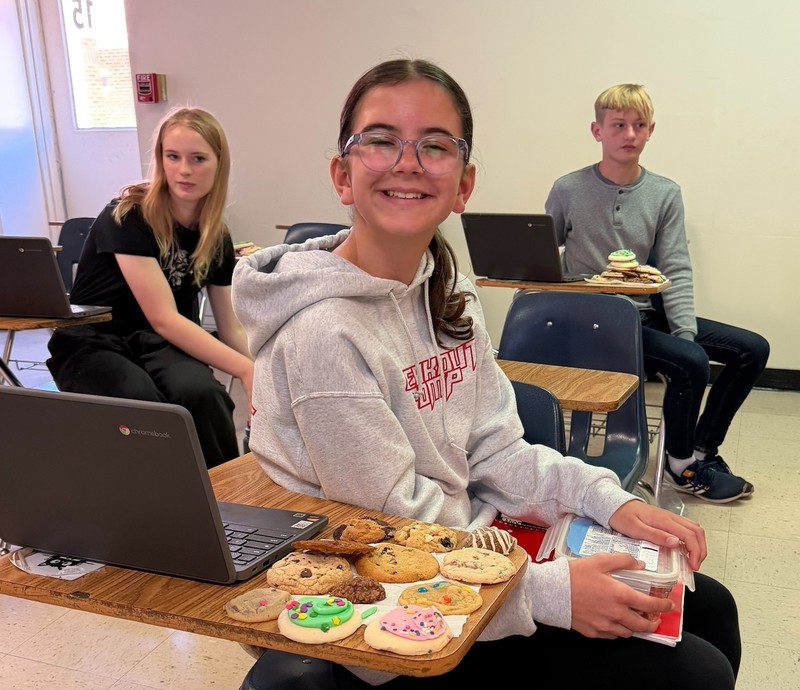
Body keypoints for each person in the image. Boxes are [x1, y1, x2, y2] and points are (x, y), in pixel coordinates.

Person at [232, 60, 740, 688]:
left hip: (465, 552)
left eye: (435, 145)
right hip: (397, 608)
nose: (409, 162)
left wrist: (607, 501)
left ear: (464, 183)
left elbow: (495, 448)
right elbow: (397, 536)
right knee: (697, 672)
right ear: (343, 173)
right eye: (382, 139)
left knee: (711, 608)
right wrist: (554, 594)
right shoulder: (322, 334)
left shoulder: (447, 291)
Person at [545, 83, 769, 505]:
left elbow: (675, 268)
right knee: (690, 362)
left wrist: (684, 334)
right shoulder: (568, 189)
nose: (629, 133)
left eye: (639, 125)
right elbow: (542, 255)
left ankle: (703, 450)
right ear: (597, 131)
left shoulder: (665, 193)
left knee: (751, 349)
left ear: (651, 130)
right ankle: (682, 466)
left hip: (645, 312)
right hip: (592, 322)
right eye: (618, 125)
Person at [47, 107, 253, 469]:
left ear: (219, 165)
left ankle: (231, 500)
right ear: (159, 159)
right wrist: (246, 371)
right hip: (92, 340)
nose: (184, 170)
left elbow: (231, 326)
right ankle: (159, 508)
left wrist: (262, 368)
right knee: (143, 406)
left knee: (203, 396)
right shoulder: (129, 215)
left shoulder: (215, 235)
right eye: (172, 156)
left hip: (157, 344)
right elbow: (163, 318)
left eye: (198, 159)